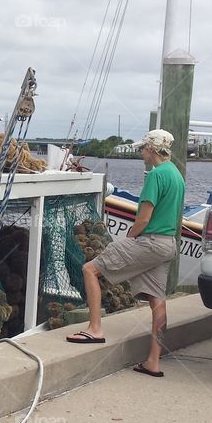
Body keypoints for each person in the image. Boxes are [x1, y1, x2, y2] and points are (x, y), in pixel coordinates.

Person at [66, 129, 185, 378]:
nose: (141, 152)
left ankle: (95, 329)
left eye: (143, 148)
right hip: (167, 245)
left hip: (149, 242)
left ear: (152, 150)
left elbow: (143, 217)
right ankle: (153, 361)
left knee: (90, 269)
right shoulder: (176, 174)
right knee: (157, 299)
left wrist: (129, 239)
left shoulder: (155, 175)